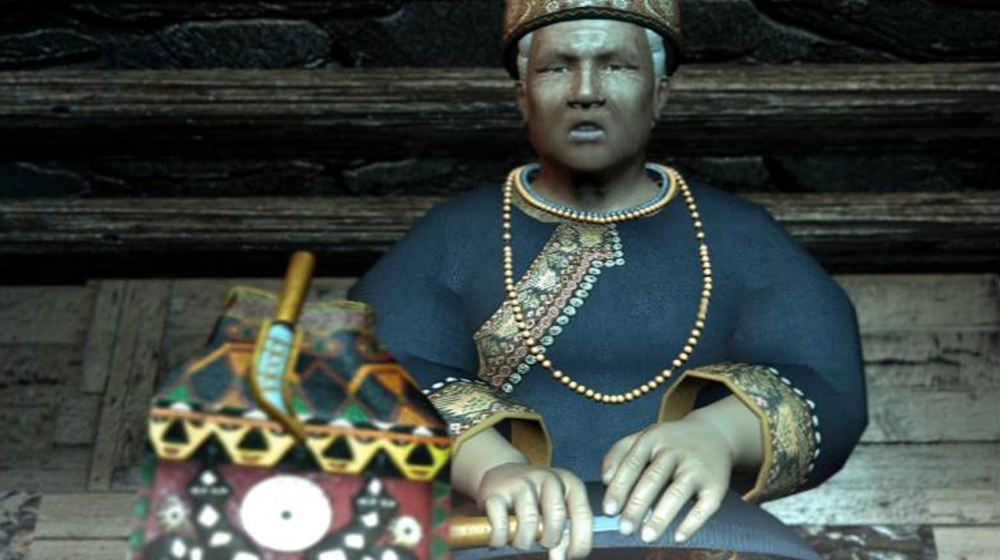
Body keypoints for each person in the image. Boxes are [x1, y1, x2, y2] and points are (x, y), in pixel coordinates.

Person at [347, 2, 868, 559]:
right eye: (557, 68)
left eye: (616, 66)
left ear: (659, 94)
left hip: (703, 534)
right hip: (505, 532)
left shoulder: (738, 235)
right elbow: (366, 367)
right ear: (522, 96)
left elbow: (825, 378)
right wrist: (489, 467)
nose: (586, 92)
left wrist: (719, 434)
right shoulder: (455, 235)